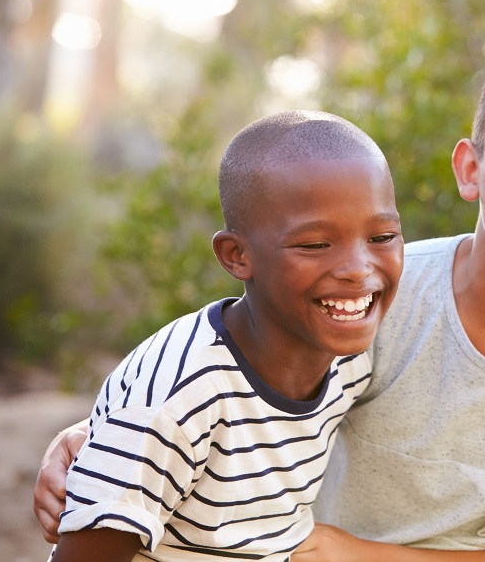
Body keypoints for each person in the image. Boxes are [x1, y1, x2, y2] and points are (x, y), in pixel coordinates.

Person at [35, 28, 485, 562]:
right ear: (471, 169)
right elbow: (227, 377)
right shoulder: (374, 289)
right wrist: (101, 436)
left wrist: (349, 552)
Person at [42, 110, 404, 562]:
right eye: (315, 244)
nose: (357, 268)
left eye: (383, 235)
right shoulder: (176, 404)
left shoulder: (350, 355)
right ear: (236, 256)